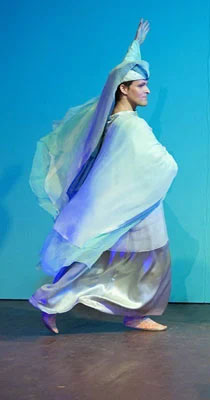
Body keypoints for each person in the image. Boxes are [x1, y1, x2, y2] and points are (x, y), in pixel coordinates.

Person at [29, 19, 178, 334]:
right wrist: (166, 160)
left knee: (122, 259)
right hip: (133, 204)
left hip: (134, 202)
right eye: (141, 85)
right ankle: (53, 300)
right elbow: (158, 162)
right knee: (132, 260)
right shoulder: (130, 125)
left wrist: (135, 45)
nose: (148, 89)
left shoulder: (116, 121)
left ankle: (131, 312)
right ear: (124, 89)